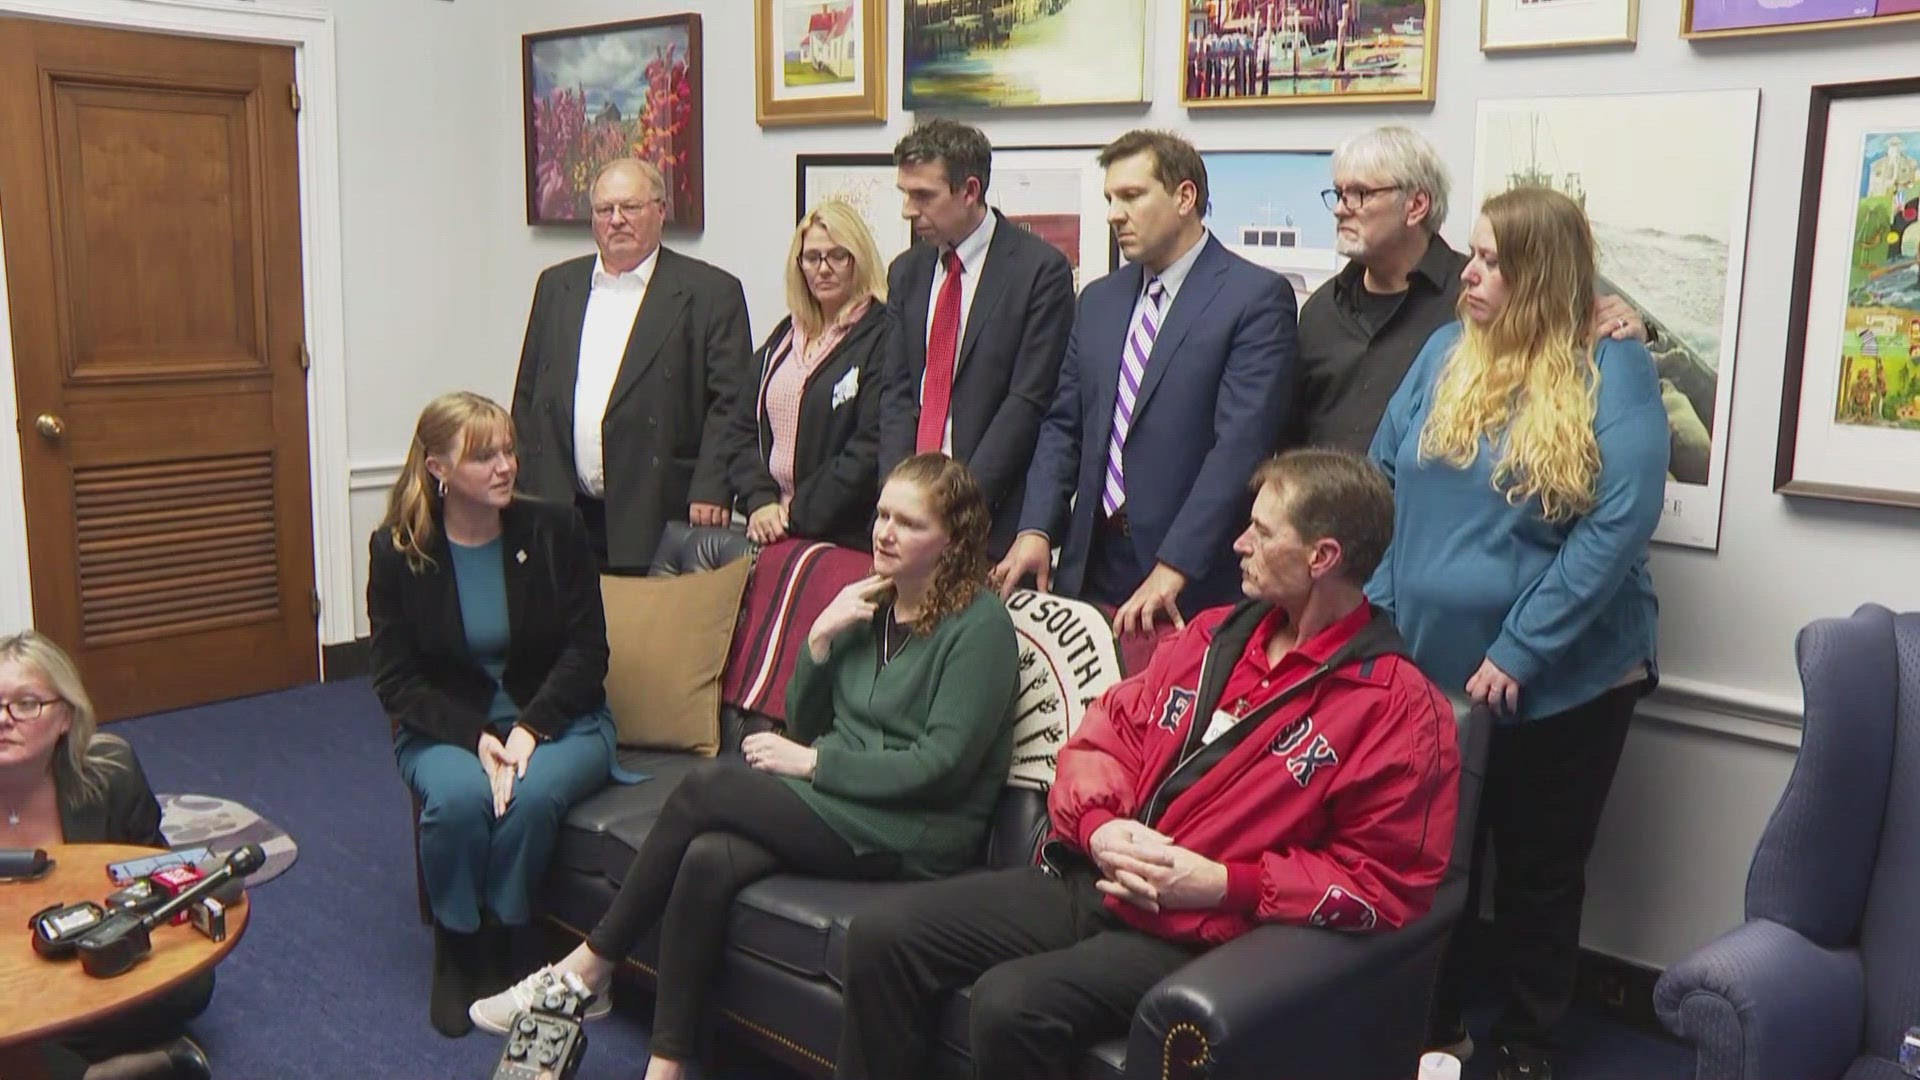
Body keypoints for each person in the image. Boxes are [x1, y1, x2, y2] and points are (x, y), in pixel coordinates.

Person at [835, 448, 1459, 1079]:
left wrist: (1223, 883)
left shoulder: (1400, 711)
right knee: (881, 936)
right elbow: (1103, 736)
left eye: (1263, 532)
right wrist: (1100, 826)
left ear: (1322, 558)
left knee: (1011, 1005)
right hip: (1095, 879)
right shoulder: (1212, 635)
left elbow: (1384, 885)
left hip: (1200, 932)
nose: (1239, 543)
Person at [469, 453, 1021, 1080]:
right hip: (852, 801)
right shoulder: (871, 602)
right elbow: (811, 719)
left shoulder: (979, 628)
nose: (885, 532)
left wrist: (814, 765)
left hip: (919, 829)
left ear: (953, 541)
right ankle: (666, 1065)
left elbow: (940, 765)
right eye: (882, 515)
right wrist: (820, 638)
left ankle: (589, 966)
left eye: (909, 523)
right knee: (709, 857)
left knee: (707, 788)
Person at [1367, 186, 1668, 1080]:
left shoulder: (1613, 368)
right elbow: (1383, 475)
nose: (1470, 271)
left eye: (1495, 259)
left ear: (1541, 273)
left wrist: (1517, 650)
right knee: (1434, 861)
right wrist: (1383, 608)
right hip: (1428, 668)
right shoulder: (1444, 350)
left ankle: (1528, 1045)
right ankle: (1436, 1027)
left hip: (1567, 676)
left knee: (1537, 868)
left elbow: (1618, 525)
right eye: (1475, 252)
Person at [367, 392, 625, 1038]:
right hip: (448, 727)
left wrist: (529, 730)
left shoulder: (554, 530)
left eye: (508, 450)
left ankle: (505, 934)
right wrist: (480, 740)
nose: (505, 466)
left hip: (561, 722)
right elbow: (397, 680)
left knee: (529, 799)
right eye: (483, 456)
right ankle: (458, 945)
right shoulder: (398, 551)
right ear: (438, 469)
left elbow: (588, 651)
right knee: (456, 799)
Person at [995, 129, 1297, 636]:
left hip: (1190, 579)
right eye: (1110, 198)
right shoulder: (1098, 301)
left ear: (1184, 197)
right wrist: (1037, 527)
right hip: (1091, 564)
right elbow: (1063, 426)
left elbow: (1240, 447)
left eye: (1132, 196)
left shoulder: (1254, 298)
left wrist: (1176, 563)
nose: (1115, 212)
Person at [1293, 126, 1650, 454]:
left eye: (1359, 194)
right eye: (1339, 193)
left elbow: (1564, 340)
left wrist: (1634, 328)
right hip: (1325, 515)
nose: (1340, 209)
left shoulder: (1483, 300)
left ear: (1416, 206)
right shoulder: (1321, 309)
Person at [510, 157, 753, 573]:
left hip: (656, 506)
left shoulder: (710, 292)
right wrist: (519, 485)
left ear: (660, 210)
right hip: (560, 504)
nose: (616, 220)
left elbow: (731, 404)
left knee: (644, 634)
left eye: (630, 207)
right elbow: (529, 394)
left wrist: (714, 486)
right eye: (605, 210)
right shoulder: (557, 286)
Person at [0, 631, 212, 1080]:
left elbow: (162, 882)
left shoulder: (110, 775)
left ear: (65, 718)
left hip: (91, 958)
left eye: (26, 704)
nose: (4, 720)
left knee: (190, 981)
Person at [876, 119, 1076, 556]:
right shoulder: (907, 272)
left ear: (969, 191)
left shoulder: (1038, 271)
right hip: (907, 523)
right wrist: (899, 501)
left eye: (923, 196)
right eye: (905, 194)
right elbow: (896, 393)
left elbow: (1028, 401)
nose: (909, 210)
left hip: (989, 518)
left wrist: (951, 509)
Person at [721, 199, 892, 550]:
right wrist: (761, 501)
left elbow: (868, 448)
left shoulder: (882, 334)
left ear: (859, 259)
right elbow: (740, 430)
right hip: (771, 525)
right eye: (812, 258)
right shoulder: (785, 336)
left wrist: (794, 515)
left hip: (840, 536)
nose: (823, 269)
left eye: (837, 256)